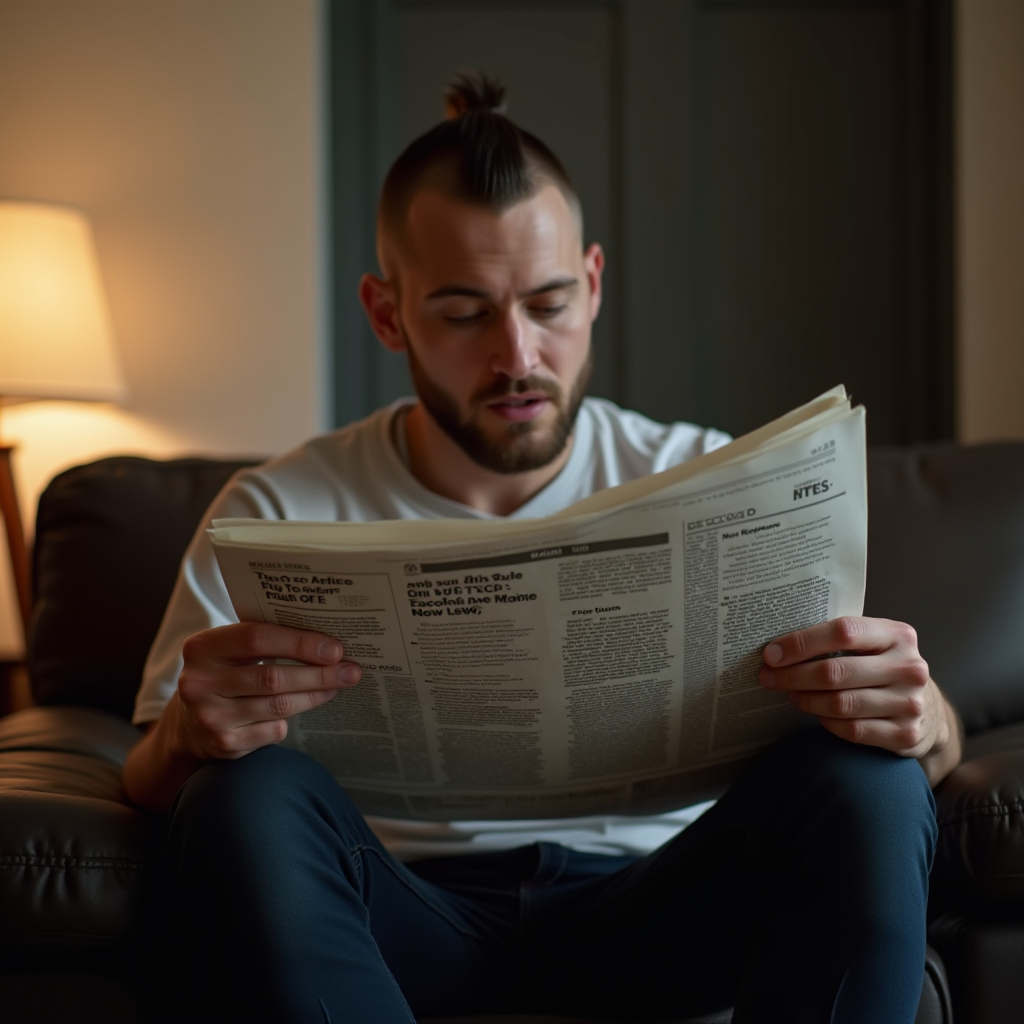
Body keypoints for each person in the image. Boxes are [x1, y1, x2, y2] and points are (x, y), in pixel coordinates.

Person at [124, 74, 961, 1024]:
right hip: (399, 920)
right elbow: (148, 782)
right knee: (243, 794)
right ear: (386, 313)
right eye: (465, 312)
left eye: (551, 304)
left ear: (594, 284)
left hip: (666, 914)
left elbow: (908, 736)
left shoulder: (713, 477)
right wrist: (190, 737)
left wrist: (925, 720)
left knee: (870, 778)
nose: (518, 356)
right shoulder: (276, 507)